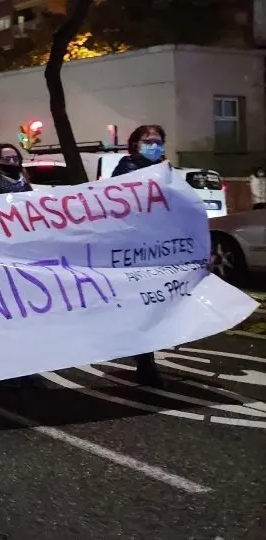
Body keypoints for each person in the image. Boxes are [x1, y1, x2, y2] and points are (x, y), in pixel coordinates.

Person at [112, 125, 168, 388]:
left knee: (154, 306)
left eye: (158, 141)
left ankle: (145, 358)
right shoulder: (126, 169)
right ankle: (146, 364)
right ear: (135, 144)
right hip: (134, 251)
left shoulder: (167, 171)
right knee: (143, 305)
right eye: (148, 141)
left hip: (159, 249)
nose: (154, 145)